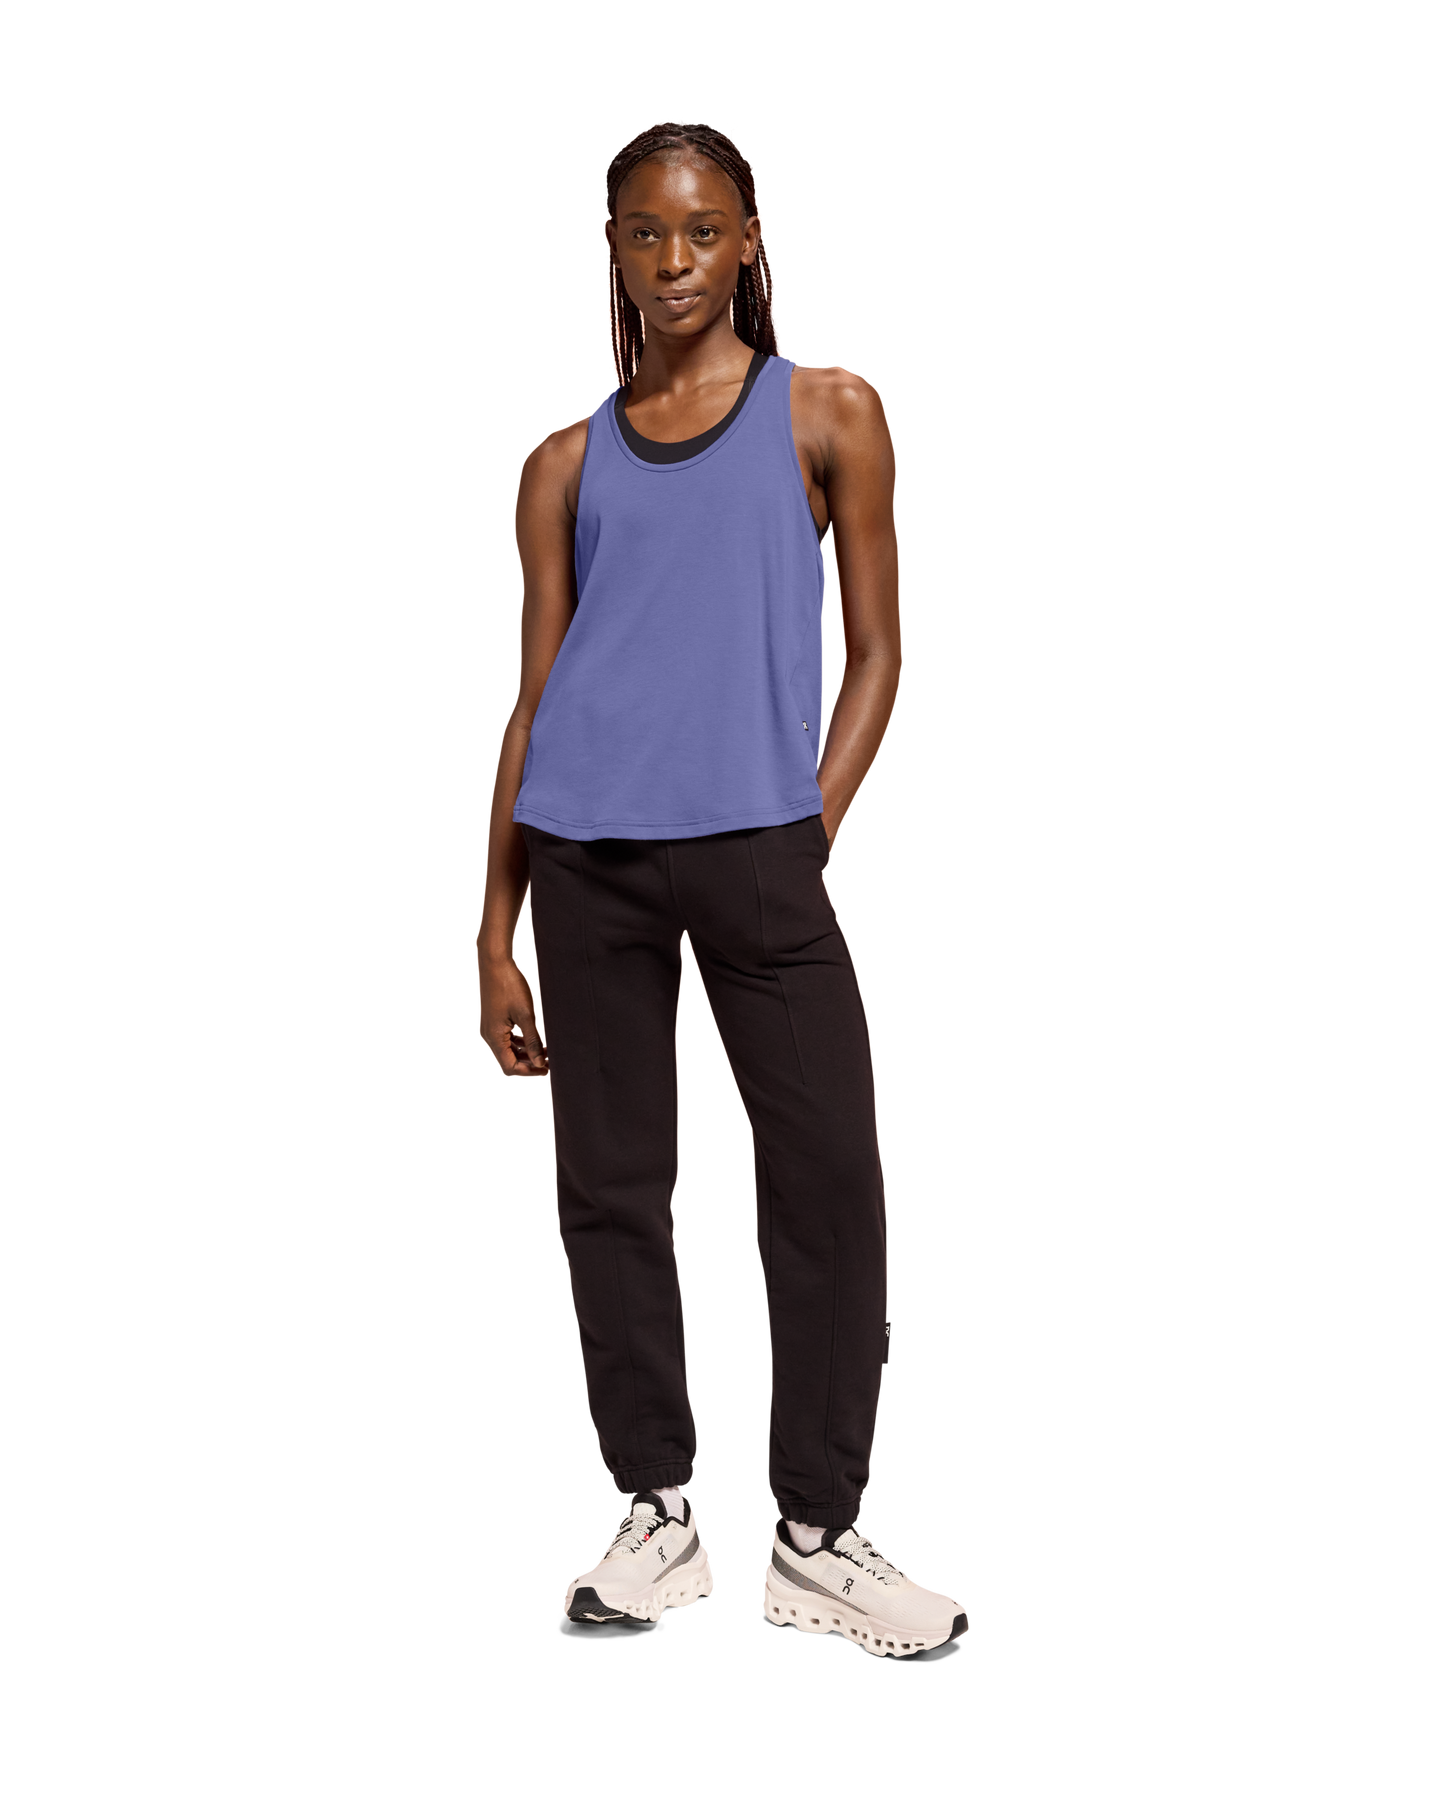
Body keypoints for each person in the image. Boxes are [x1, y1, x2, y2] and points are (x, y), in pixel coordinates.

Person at [474, 115, 970, 1661]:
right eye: (645, 232)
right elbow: (535, 690)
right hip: (588, 859)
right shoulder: (563, 462)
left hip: (761, 852)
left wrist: (802, 827)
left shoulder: (830, 410)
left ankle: (816, 1535)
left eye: (702, 229)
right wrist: (493, 930)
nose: (674, 260)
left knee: (830, 1180)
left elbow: (880, 650)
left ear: (749, 237)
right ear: (613, 250)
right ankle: (658, 1513)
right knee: (611, 1185)